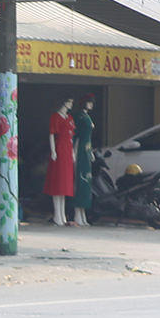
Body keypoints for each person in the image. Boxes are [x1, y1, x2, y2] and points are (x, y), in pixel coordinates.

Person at [45, 98, 76, 224]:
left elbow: (71, 137)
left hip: (68, 150)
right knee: (58, 181)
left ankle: (62, 215)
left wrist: (73, 152)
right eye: (68, 102)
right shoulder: (55, 117)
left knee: (65, 184)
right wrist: (53, 151)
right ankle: (57, 214)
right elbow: (52, 134)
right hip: (60, 149)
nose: (70, 104)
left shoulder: (69, 118)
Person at [70, 94, 97, 227]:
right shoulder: (78, 117)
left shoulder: (87, 117)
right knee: (80, 180)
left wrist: (90, 152)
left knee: (87, 181)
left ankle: (83, 214)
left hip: (87, 150)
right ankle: (77, 213)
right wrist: (73, 152)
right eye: (89, 102)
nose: (91, 105)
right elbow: (75, 136)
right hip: (79, 150)